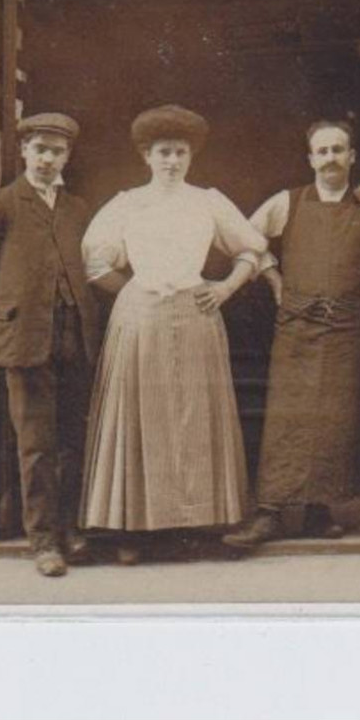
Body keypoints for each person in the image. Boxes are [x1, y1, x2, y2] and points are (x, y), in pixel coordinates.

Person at [80, 104, 269, 564]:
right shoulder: (127, 203)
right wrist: (133, 293)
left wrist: (224, 288)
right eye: (163, 152)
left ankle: (195, 526)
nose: (172, 161)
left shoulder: (208, 201)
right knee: (142, 415)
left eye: (180, 152)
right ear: (146, 155)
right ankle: (133, 530)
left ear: (191, 156)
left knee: (191, 417)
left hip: (195, 316)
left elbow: (251, 251)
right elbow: (95, 262)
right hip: (141, 318)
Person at [223, 118, 360, 549]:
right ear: (310, 158)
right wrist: (276, 282)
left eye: (339, 150)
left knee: (333, 418)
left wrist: (344, 304)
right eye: (323, 151)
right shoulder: (288, 203)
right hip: (296, 325)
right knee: (287, 414)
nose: (331, 158)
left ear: (352, 156)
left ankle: (319, 510)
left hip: (343, 328)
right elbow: (245, 239)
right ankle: (271, 512)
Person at [0, 112, 100, 578]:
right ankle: (42, 541)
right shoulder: (0, 204)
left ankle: (70, 529)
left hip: (74, 338)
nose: (47, 159)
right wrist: (3, 313)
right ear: (24, 152)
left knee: (73, 440)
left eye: (57, 151)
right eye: (40, 149)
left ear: (67, 157)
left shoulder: (77, 209)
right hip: (24, 341)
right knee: (36, 443)